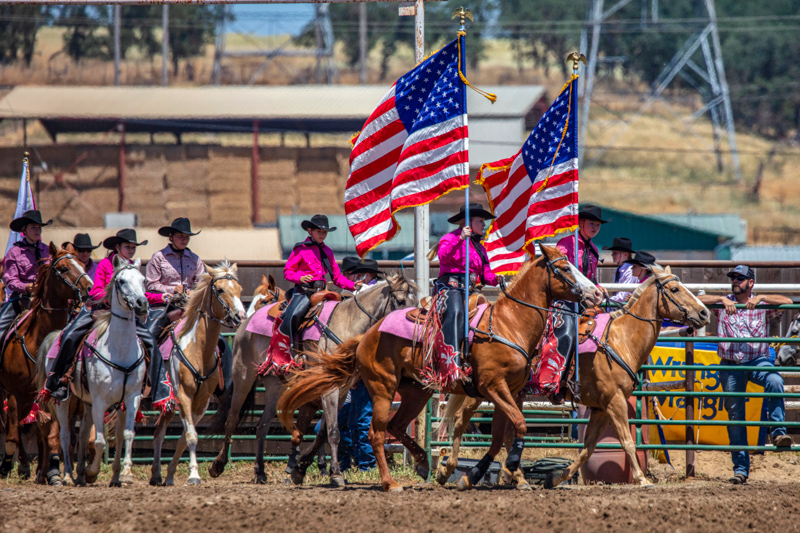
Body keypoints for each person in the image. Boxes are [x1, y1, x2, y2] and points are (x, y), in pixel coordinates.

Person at [43, 229, 171, 406]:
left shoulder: (133, 266)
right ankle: (58, 382)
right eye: (128, 246)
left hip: (125, 315)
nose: (131, 250)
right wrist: (112, 299)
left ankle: (159, 388)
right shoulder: (105, 264)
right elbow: (95, 291)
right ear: (117, 247)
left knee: (150, 341)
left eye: (134, 247)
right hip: (98, 312)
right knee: (70, 335)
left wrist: (160, 297)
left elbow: (140, 294)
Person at [697, 265, 794, 484]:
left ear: (750, 283)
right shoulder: (723, 304)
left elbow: (788, 302)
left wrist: (761, 297)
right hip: (731, 364)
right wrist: (723, 300)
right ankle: (740, 470)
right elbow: (698, 299)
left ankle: (778, 433)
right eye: (733, 277)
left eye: (740, 278)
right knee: (735, 416)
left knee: (775, 380)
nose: (735, 281)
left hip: (757, 360)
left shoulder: (762, 304)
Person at [267, 215, 361, 364]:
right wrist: (300, 278)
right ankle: (291, 351)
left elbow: (337, 277)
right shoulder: (300, 249)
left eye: (325, 232)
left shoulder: (328, 252)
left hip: (322, 292)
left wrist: (352, 285)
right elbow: (288, 272)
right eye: (319, 232)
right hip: (304, 292)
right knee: (294, 315)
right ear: (310, 231)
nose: (322, 235)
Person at [145, 218, 215, 392]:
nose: (184, 239)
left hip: (190, 308)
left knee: (217, 340)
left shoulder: (195, 259)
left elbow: (202, 283)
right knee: (148, 336)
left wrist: (195, 291)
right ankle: (145, 379)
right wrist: (171, 289)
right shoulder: (158, 257)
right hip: (164, 306)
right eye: (180, 236)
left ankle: (221, 384)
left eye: (187, 237)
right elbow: (150, 284)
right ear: (171, 237)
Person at [436, 203, 499, 385]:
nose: (484, 225)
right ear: (468, 223)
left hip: (471, 289)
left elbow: (486, 273)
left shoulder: (480, 248)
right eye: (481, 221)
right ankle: (449, 365)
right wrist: (460, 239)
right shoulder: (450, 238)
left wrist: (497, 279)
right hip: (451, 287)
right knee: (455, 312)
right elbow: (443, 256)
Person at [0, 210, 52, 344]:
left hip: (46, 298)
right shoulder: (14, 253)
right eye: (33, 227)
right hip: (21, 299)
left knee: (69, 323)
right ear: (24, 229)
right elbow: (11, 281)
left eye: (39, 228)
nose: (37, 231)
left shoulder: (48, 251)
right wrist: (28, 287)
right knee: (0, 326)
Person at [556, 204, 608, 284]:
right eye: (592, 223)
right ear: (581, 223)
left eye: (598, 224)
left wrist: (598, 287)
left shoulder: (594, 249)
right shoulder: (565, 244)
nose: (595, 227)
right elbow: (557, 270)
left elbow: (592, 278)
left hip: (586, 292)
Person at [603, 237, 636, 303]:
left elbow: (622, 297)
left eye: (615, 253)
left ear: (625, 254)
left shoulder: (630, 271)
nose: (612, 255)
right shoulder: (619, 269)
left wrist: (604, 302)